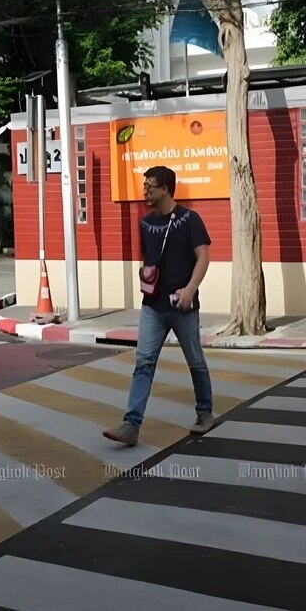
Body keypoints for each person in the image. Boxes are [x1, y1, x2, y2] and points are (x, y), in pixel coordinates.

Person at [104, 165, 216, 446]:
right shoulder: (145, 224)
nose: (146, 191)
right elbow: (150, 260)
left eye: (151, 186)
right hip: (152, 306)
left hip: (183, 306)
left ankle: (205, 412)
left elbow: (203, 256)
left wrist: (190, 290)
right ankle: (131, 425)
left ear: (165, 188)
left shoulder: (190, 219)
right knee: (143, 362)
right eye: (144, 186)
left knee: (195, 361)